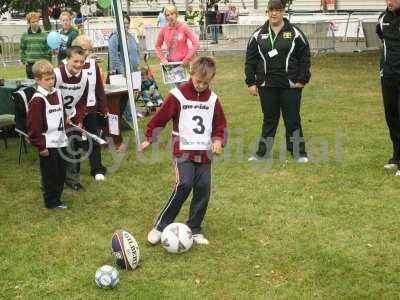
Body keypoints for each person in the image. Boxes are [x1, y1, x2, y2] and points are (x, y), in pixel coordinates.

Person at [141, 56, 227, 246]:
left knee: (203, 188)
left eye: (206, 83)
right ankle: (161, 226)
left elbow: (219, 124)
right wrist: (149, 137)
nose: (201, 86)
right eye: (198, 81)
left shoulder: (213, 100)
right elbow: (161, 117)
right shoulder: (178, 94)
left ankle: (194, 228)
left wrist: (218, 140)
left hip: (204, 153)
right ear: (191, 74)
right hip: (183, 151)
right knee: (184, 183)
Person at [245, 0, 311, 162]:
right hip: (267, 85)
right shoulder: (258, 34)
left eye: (278, 10)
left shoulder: (295, 33)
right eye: (271, 10)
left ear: (283, 12)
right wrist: (251, 82)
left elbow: (305, 57)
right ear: (267, 12)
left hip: (291, 85)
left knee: (292, 119)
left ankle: (298, 152)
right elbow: (250, 60)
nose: (274, 13)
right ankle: (262, 153)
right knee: (269, 119)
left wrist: (303, 79)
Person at [27, 60, 69, 209]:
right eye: (47, 79)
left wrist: (65, 119)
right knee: (50, 174)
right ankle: (51, 201)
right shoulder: (37, 100)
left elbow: (61, 111)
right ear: (37, 80)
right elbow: (33, 127)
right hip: (48, 144)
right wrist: (40, 146)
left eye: (52, 78)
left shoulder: (57, 92)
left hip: (60, 140)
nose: (51, 82)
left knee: (60, 172)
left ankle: (57, 196)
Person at [72, 35, 109, 181]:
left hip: (91, 107)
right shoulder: (67, 65)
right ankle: (74, 171)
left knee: (94, 138)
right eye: (87, 49)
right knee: (73, 140)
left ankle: (97, 168)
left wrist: (104, 107)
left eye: (90, 49)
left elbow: (99, 87)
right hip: (73, 111)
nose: (89, 52)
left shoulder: (94, 64)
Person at [54, 46, 88, 191]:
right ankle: (55, 180)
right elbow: (50, 97)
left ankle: (73, 180)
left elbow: (82, 100)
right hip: (54, 117)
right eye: (75, 61)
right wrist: (62, 116)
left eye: (82, 62)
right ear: (67, 60)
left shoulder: (85, 76)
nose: (79, 65)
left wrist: (79, 119)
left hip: (72, 118)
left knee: (72, 149)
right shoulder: (57, 74)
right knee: (55, 151)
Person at [376, 0, 400, 173]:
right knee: (391, 117)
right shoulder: (382, 18)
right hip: (388, 75)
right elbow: (382, 38)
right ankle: (396, 156)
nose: (389, 2)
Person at [108, 15, 140, 121]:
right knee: (123, 95)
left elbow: (136, 52)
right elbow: (113, 57)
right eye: (123, 23)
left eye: (127, 23)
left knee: (130, 94)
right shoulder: (114, 38)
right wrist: (123, 71)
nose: (125, 25)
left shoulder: (131, 36)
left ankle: (130, 114)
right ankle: (127, 116)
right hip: (121, 73)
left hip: (133, 71)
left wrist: (138, 66)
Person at [20, 12, 52, 79]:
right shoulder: (24, 36)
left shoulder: (45, 35)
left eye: (37, 21)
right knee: (31, 86)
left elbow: (48, 51)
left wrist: (48, 63)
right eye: (33, 22)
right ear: (29, 23)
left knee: (42, 85)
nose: (35, 23)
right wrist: (24, 60)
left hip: (42, 65)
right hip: (30, 65)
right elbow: (22, 49)